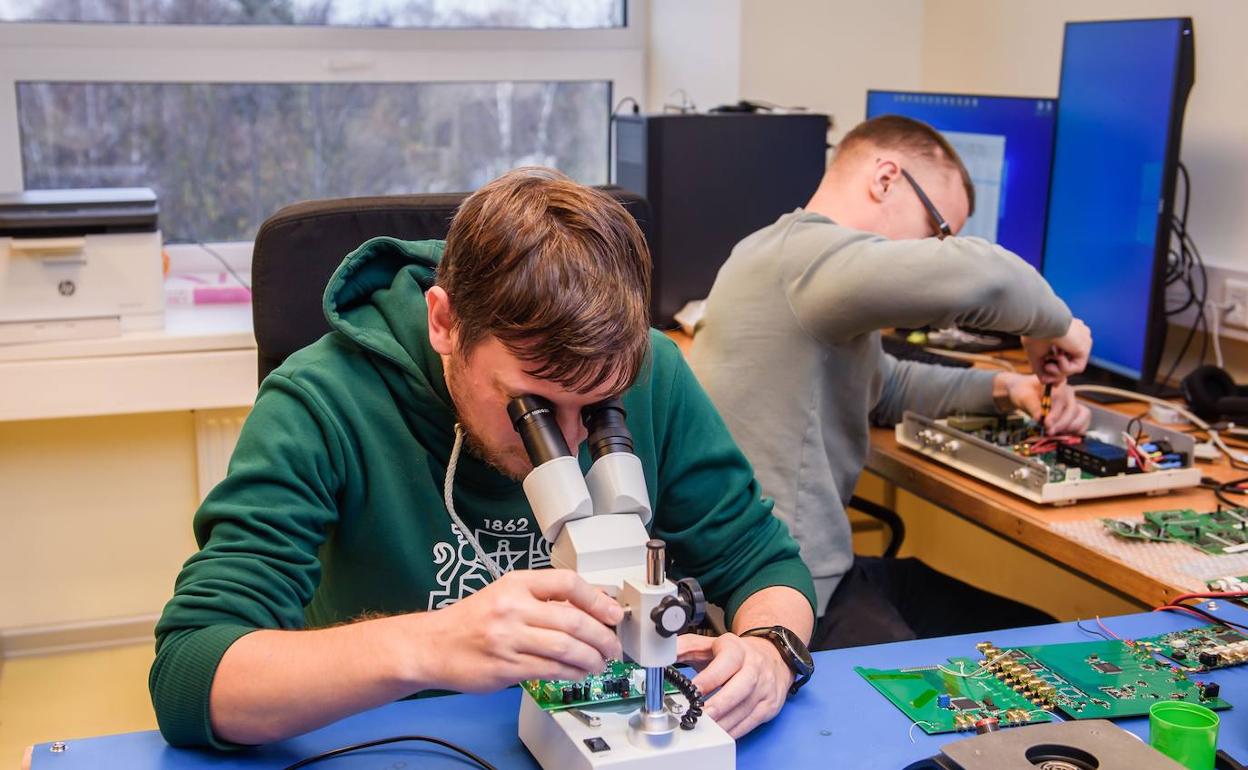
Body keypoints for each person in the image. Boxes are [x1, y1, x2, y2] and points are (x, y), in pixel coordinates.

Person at [149, 167, 816, 750]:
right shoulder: (320, 403)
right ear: (445, 323)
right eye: (531, 407)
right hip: (393, 739)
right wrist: (435, 644)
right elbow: (192, 675)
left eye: (598, 408)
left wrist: (770, 649)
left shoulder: (654, 373)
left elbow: (763, 565)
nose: (574, 441)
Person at [689, 115, 1094, 651]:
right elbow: (988, 279)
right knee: (954, 691)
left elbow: (886, 387)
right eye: (939, 233)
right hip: (783, 592)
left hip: (767, 572)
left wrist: (1007, 390)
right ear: (885, 178)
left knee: (1039, 634)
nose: (935, 251)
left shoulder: (771, 252)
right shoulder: (811, 260)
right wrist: (1053, 325)